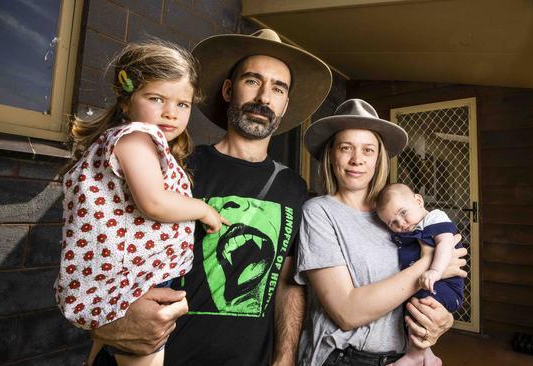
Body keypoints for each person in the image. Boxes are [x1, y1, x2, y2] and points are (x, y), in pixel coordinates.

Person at [90, 29, 333, 365]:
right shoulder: (175, 168)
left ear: (285, 104)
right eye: (252, 81)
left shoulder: (293, 186)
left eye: (278, 88)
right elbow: (109, 246)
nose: (264, 97)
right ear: (229, 90)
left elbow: (287, 283)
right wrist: (107, 327)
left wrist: (285, 355)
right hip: (162, 354)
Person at [55, 40, 228, 366]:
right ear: (126, 101)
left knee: (110, 353)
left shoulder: (145, 142)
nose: (170, 112)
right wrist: (204, 210)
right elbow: (153, 202)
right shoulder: (135, 138)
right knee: (146, 353)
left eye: (183, 104)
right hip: (131, 278)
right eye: (156, 98)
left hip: (131, 276)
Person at [295, 98, 467, 366]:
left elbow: (443, 273)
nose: (357, 160)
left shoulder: (397, 215)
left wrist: (442, 318)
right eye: (346, 148)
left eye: (368, 150)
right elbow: (346, 312)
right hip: (344, 357)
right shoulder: (319, 212)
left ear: (379, 159)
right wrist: (428, 266)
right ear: (331, 155)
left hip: (400, 356)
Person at [376, 183, 464, 366]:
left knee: (420, 305)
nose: (402, 224)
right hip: (426, 283)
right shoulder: (409, 232)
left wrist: (435, 271)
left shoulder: (434, 217)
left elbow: (446, 243)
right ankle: (429, 357)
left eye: (402, 213)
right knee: (410, 309)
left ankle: (414, 357)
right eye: (393, 223)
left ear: (418, 200)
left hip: (444, 284)